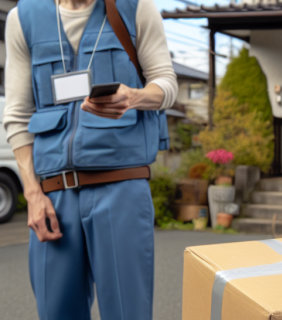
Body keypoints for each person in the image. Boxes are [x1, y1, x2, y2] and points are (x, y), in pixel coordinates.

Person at [3, 0, 177, 319]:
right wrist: (32, 194)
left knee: (128, 312)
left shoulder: (135, 8)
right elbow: (16, 115)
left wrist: (135, 96)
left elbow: (167, 83)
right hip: (52, 196)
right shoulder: (22, 19)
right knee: (56, 312)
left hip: (123, 188)